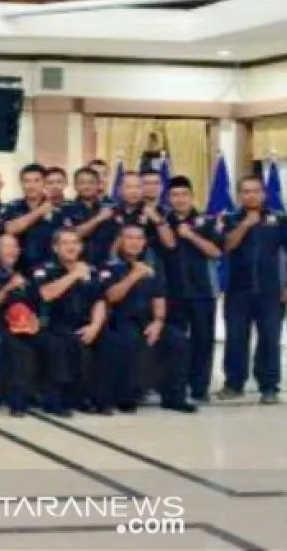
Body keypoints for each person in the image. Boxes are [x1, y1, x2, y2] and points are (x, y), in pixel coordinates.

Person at [98, 225, 195, 414]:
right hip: (119, 318)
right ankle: (126, 397)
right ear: (120, 240)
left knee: (178, 340)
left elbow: (159, 296)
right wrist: (134, 275)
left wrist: (158, 321)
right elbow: (111, 297)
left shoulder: (152, 265)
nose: (134, 242)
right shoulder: (109, 266)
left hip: (148, 319)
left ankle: (175, 397)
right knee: (129, 341)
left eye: (139, 238)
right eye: (129, 238)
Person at [217, 175, 287, 405]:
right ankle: (233, 384)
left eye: (256, 191)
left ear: (264, 194)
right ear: (239, 195)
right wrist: (246, 224)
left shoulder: (278, 219)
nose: (251, 195)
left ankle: (269, 386)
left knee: (270, 339)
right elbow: (226, 247)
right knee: (236, 338)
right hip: (238, 290)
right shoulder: (230, 219)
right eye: (246, 191)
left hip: (270, 291)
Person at [30, 229, 108, 416]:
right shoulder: (44, 269)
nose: (71, 247)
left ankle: (95, 397)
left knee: (112, 342)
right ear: (55, 248)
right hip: (51, 324)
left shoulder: (91, 271)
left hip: (83, 324)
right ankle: (55, 400)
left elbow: (100, 300)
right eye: (65, 243)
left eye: (75, 242)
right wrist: (73, 275)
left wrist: (95, 326)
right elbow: (46, 294)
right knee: (59, 345)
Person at [160, 176, 221, 402]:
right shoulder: (163, 222)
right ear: (168, 198)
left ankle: (199, 388)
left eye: (184, 195)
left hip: (202, 291)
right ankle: (173, 386)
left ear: (192, 197)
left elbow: (216, 252)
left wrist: (190, 235)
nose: (179, 199)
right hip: (172, 292)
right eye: (174, 195)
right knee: (174, 341)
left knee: (202, 341)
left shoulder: (207, 221)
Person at [0, 233, 42, 416]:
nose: (12, 251)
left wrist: (35, 319)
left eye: (14, 247)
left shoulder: (25, 275)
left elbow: (35, 303)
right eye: (6, 246)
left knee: (47, 342)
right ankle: (16, 400)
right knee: (18, 349)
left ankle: (42, 395)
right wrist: (8, 287)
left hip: (24, 324)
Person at [1, 164, 57, 272]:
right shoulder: (12, 207)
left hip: (51, 271)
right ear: (21, 184)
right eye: (27, 181)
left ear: (44, 183)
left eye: (37, 181)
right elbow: (10, 229)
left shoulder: (58, 209)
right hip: (18, 271)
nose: (32, 185)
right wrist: (40, 211)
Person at [62, 166, 118, 266]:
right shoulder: (66, 208)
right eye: (82, 182)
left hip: (105, 265)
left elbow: (117, 237)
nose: (86, 186)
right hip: (76, 265)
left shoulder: (110, 209)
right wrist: (99, 218)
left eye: (91, 182)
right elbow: (74, 235)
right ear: (75, 186)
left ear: (98, 185)